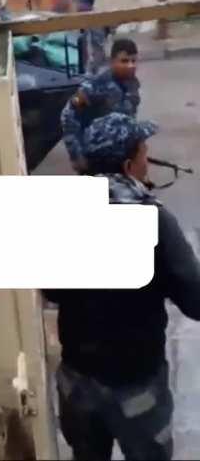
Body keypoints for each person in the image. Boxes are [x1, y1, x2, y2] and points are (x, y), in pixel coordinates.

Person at [43, 112, 200, 461]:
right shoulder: (154, 222)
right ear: (130, 165)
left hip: (77, 382)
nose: (148, 161)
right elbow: (196, 301)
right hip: (136, 388)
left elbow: (50, 291)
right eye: (145, 153)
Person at [61, 38, 139, 173]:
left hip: (120, 157)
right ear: (112, 61)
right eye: (124, 61)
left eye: (133, 61)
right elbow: (68, 115)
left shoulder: (132, 84)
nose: (130, 65)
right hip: (97, 157)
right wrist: (76, 155)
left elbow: (129, 118)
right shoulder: (95, 86)